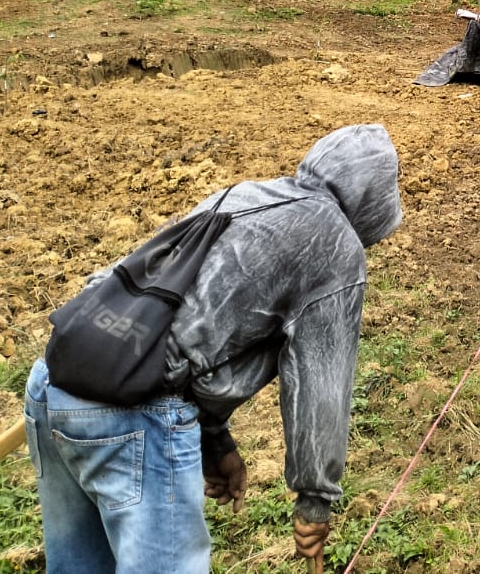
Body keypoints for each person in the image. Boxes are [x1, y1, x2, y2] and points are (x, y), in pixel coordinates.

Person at [24, 125, 403, 574]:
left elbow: (180, 315)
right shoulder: (335, 245)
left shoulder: (248, 195)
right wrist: (316, 499)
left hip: (54, 380)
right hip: (134, 415)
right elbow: (320, 385)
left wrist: (214, 441)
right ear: (374, 202)